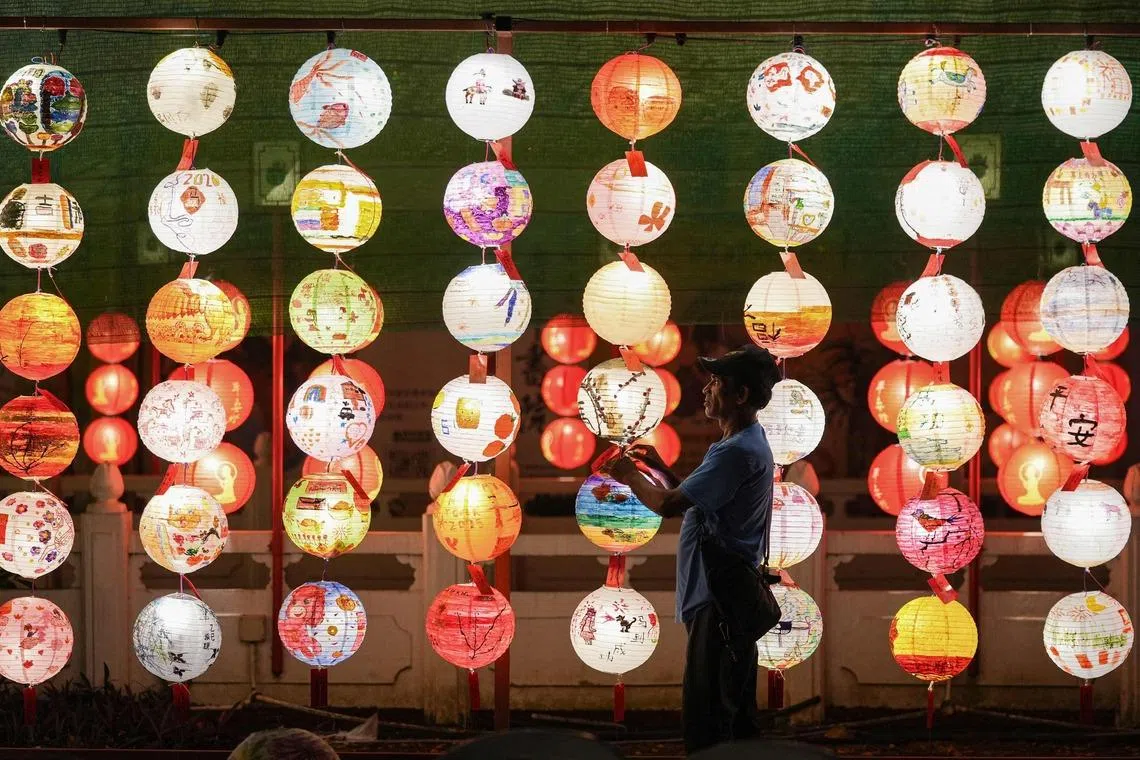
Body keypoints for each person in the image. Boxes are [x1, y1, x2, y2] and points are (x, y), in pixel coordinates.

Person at [608, 344, 780, 753]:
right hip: (723, 592)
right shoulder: (742, 443)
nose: (706, 390)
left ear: (740, 396)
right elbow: (698, 499)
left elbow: (670, 505)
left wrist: (629, 475)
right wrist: (660, 470)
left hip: (717, 599)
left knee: (709, 714)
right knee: (731, 706)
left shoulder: (736, 451)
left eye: (717, 382)